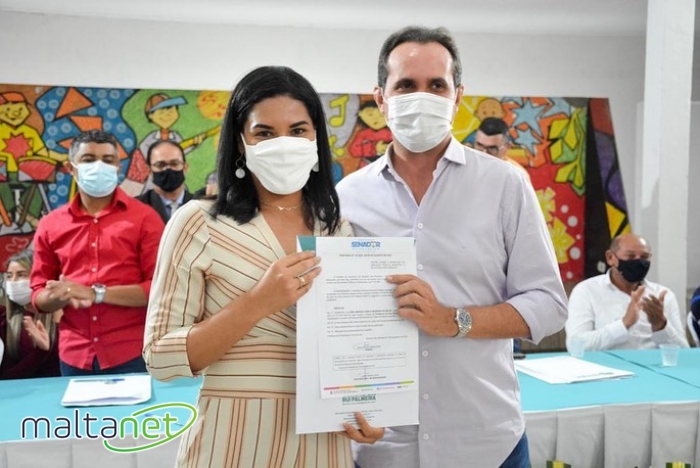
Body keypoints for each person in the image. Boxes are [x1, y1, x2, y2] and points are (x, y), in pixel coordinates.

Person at [336, 26, 567, 467]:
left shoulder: (504, 185)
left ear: (457, 96)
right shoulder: (347, 197)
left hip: (486, 442)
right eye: (406, 85)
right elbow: (335, 318)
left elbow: (549, 304)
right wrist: (345, 405)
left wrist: (453, 320)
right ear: (381, 98)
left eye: (436, 85)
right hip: (382, 447)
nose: (421, 97)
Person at [143, 66, 383, 468]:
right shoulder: (198, 222)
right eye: (265, 133)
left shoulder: (337, 230)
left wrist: (368, 411)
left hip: (321, 444)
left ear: (316, 139)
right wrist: (258, 302)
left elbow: (351, 350)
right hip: (231, 442)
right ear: (241, 143)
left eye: (298, 130)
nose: (283, 144)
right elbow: (159, 358)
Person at [31, 129, 165, 376]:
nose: (99, 166)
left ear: (118, 167)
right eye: (89, 159)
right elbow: (38, 295)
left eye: (108, 159)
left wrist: (94, 293)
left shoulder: (145, 219)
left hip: (132, 352)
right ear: (71, 168)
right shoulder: (50, 224)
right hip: (74, 356)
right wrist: (60, 295)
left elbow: (159, 289)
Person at [565, 233, 689, 351]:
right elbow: (576, 345)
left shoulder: (662, 295)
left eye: (644, 257)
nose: (639, 262)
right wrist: (624, 324)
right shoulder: (586, 291)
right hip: (606, 364)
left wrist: (661, 326)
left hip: (654, 364)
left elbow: (684, 352)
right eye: (630, 256)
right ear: (610, 258)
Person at [0, 249, 60, 379]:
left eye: (21, 275)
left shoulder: (63, 317)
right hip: (21, 389)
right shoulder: (4, 320)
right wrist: (40, 352)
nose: (13, 282)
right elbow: (7, 378)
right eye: (9, 276)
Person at [136, 140, 193, 223]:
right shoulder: (136, 208)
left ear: (185, 168)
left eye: (174, 164)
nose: (168, 169)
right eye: (160, 165)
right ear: (149, 170)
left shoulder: (203, 206)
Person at [474, 117, 531, 181]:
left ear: (508, 147)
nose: (484, 153)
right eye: (479, 145)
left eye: (492, 148)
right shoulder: (466, 165)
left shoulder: (517, 177)